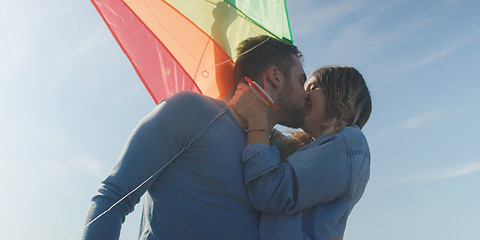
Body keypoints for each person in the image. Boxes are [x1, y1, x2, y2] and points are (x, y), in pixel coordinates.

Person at [81, 35, 309, 239]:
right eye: (301, 80)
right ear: (275, 76)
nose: (307, 92)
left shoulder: (275, 157)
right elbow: (113, 197)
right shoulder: (190, 110)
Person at [232, 66, 372, 240]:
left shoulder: (349, 142)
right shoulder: (324, 150)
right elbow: (278, 154)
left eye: (312, 88)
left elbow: (268, 191)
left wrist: (257, 119)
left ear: (339, 94)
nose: (304, 95)